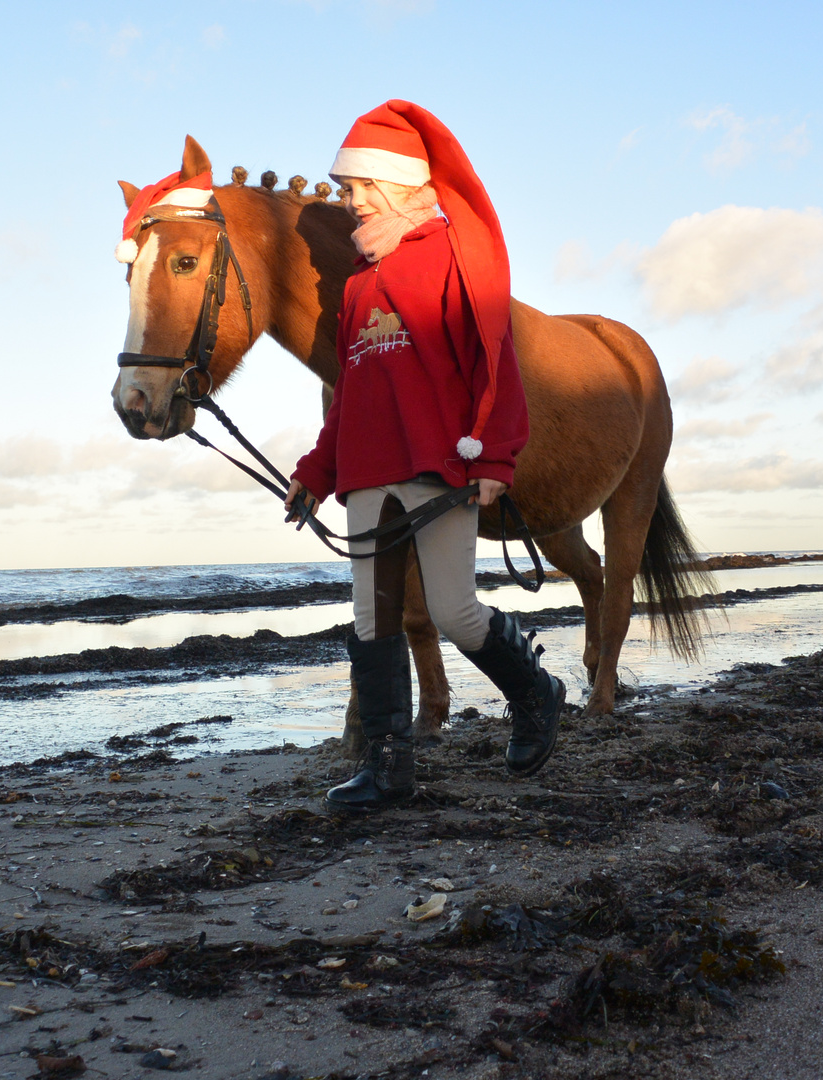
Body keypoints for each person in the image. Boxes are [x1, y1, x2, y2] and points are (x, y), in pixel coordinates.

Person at [284, 100, 565, 812]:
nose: (346, 203)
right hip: (367, 476)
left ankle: (536, 694)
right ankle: (388, 769)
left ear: (391, 183)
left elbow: (489, 359)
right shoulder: (357, 281)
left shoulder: (453, 255)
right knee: (373, 621)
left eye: (353, 188)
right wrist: (316, 473)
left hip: (438, 466)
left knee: (452, 610)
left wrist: (495, 458)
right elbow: (350, 389)